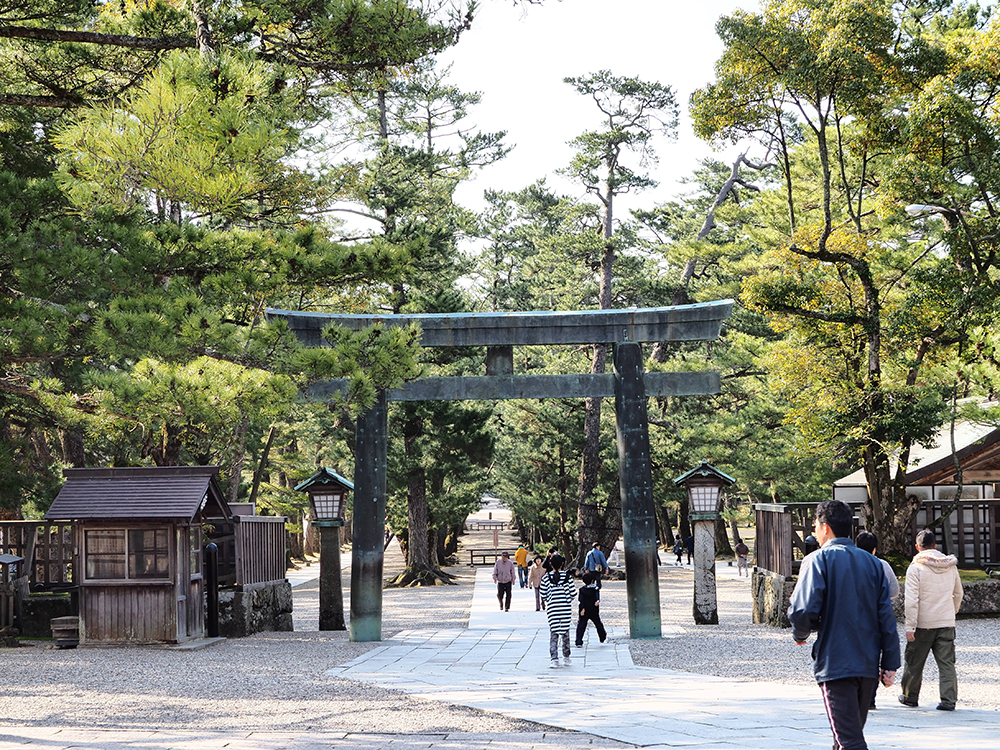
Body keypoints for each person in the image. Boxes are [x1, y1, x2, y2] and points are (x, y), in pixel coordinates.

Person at [788, 500, 899, 750]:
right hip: (868, 663)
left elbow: (804, 608)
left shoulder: (818, 560)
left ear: (825, 527)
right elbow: (886, 617)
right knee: (846, 736)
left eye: (815, 526)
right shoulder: (874, 564)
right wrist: (890, 663)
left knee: (849, 740)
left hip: (836, 662)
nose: (815, 532)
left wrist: (800, 632)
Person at [899, 528, 963, 711]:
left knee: (914, 662)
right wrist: (952, 611)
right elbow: (958, 593)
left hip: (923, 624)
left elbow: (912, 600)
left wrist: (910, 626)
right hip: (946, 621)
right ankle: (948, 700)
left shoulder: (915, 568)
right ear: (935, 546)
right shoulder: (951, 566)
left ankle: (909, 696)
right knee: (947, 664)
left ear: (917, 547)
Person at [854, 530, 900, 710]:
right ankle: (869, 697)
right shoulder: (882, 565)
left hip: (854, 615)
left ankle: (854, 693)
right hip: (877, 616)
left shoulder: (849, 565)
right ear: (874, 549)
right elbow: (894, 590)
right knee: (873, 655)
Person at [540, 553, 575, 668]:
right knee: (565, 633)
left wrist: (550, 599)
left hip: (553, 609)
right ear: (562, 564)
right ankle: (566, 657)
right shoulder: (568, 577)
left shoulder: (546, 578)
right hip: (565, 608)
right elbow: (573, 593)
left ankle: (554, 659)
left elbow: (543, 594)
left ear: (550, 564)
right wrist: (566, 599)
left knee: (554, 633)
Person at [575, 571, 607, 647]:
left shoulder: (582, 590)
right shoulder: (595, 589)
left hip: (584, 609)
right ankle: (602, 636)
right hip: (593, 609)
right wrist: (597, 600)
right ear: (592, 580)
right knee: (598, 623)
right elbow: (597, 596)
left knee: (581, 625)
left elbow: (581, 600)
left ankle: (579, 640)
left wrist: (582, 608)